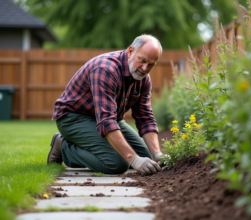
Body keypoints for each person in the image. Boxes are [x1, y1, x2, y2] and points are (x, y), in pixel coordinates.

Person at [47, 34, 165, 175]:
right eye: (143, 60)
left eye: (151, 65)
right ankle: (64, 147)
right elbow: (106, 121)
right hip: (73, 118)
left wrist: (157, 154)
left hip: (108, 118)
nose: (145, 68)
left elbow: (145, 117)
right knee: (117, 164)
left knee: (149, 159)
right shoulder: (105, 69)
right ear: (131, 51)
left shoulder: (143, 78)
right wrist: (133, 159)